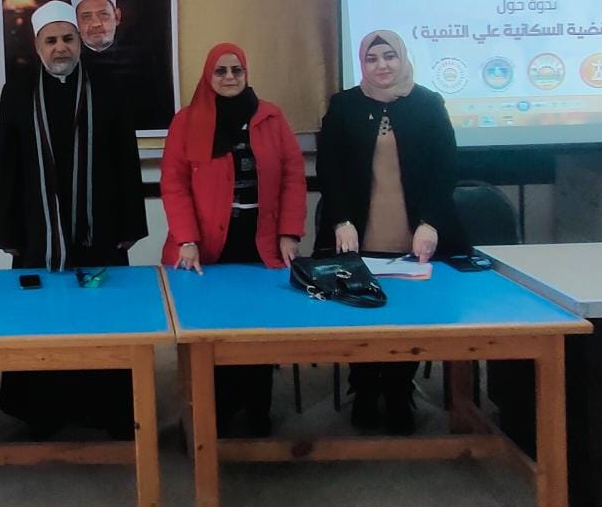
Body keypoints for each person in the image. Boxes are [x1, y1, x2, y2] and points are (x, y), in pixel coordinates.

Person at [0, 0, 147, 437]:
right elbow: (6, 163)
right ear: (37, 46)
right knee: (40, 318)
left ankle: (106, 410)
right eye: (51, 40)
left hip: (99, 226)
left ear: (79, 42)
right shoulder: (17, 91)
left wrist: (131, 224)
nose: (60, 48)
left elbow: (126, 158)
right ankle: (41, 413)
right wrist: (6, 229)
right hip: (37, 229)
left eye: (67, 39)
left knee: (102, 316)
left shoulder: (108, 86)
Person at [315, 29, 463, 434]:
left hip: (414, 232)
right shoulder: (344, 105)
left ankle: (399, 391)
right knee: (358, 314)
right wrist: (341, 220)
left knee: (409, 315)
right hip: (358, 232)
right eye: (372, 58)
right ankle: (364, 389)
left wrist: (430, 222)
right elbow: (330, 168)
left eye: (389, 57)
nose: (382, 65)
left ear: (402, 59)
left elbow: (446, 168)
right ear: (362, 63)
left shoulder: (428, 104)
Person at [160, 43, 307, 436]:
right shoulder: (186, 121)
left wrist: (289, 233)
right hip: (206, 246)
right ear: (208, 76)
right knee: (211, 329)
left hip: (260, 241)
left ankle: (258, 410)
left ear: (246, 73)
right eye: (221, 71)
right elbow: (174, 185)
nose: (229, 77)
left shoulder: (271, 117)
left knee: (258, 328)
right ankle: (217, 412)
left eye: (236, 70)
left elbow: (293, 177)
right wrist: (186, 239)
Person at [70, 0, 175, 133]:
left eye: (103, 14)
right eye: (86, 16)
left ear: (117, 16)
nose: (96, 23)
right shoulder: (68, 67)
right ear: (75, 22)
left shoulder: (144, 63)